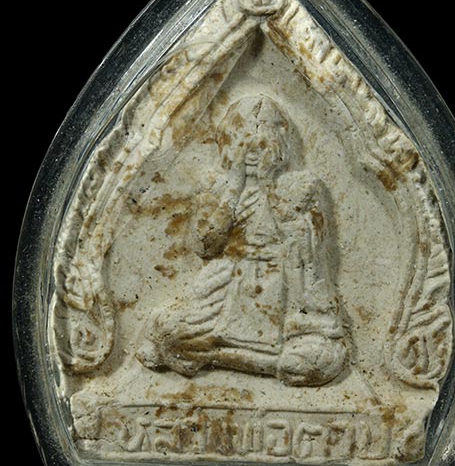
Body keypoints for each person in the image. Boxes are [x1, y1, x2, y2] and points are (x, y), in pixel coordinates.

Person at [137, 95, 347, 386]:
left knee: (317, 359)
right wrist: (233, 189)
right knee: (166, 329)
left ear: (278, 144)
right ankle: (256, 362)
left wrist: (273, 193)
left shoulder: (301, 187)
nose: (251, 154)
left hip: (286, 290)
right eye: (242, 144)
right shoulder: (215, 186)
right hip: (224, 287)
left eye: (261, 145)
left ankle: (213, 355)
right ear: (227, 143)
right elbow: (204, 246)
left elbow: (311, 254)